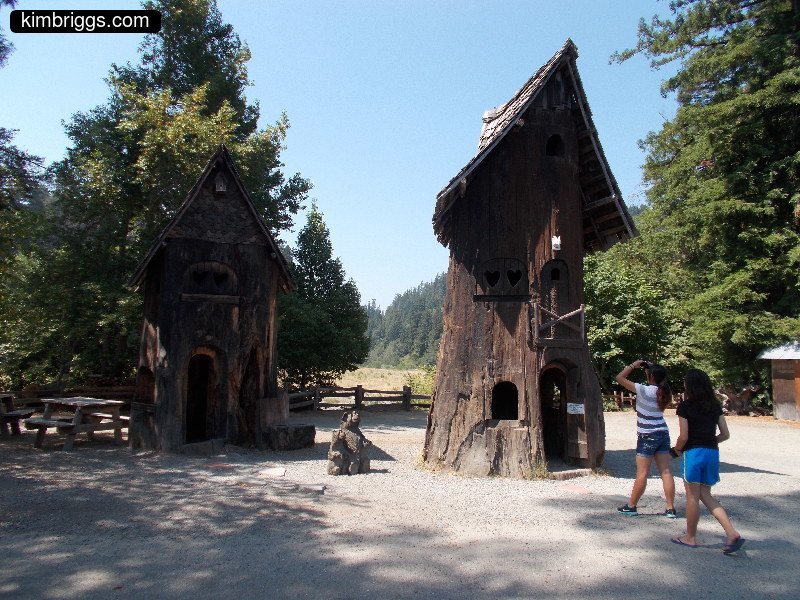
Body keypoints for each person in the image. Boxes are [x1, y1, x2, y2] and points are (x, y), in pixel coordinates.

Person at [670, 368, 745, 554]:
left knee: (692, 496)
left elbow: (684, 436)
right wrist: (709, 442)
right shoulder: (715, 405)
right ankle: (731, 532)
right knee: (706, 495)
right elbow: (725, 434)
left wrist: (676, 450)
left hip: (694, 453)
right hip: (712, 452)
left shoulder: (685, 407)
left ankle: (690, 537)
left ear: (689, 386)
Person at [614, 359, 677, 517]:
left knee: (642, 473)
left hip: (647, 434)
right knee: (666, 472)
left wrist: (633, 365)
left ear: (650, 376)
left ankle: (632, 505)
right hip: (663, 432)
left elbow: (619, 378)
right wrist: (651, 368)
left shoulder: (644, 390)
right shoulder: (664, 391)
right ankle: (670, 508)